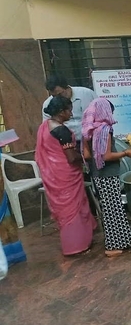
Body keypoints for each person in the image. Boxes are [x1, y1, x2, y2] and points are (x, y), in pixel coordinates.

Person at [36, 96, 96, 256]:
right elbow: (71, 157)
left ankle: (72, 243)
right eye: (69, 110)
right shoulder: (61, 131)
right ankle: (78, 244)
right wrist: (86, 156)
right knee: (73, 210)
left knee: (65, 211)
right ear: (61, 112)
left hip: (53, 175)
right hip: (66, 175)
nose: (71, 113)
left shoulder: (45, 126)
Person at [82, 98, 131, 257]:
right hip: (108, 174)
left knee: (112, 208)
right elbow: (106, 156)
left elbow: (86, 154)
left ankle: (124, 242)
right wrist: (126, 153)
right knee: (113, 210)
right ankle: (112, 248)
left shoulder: (87, 130)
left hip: (97, 175)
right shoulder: (105, 129)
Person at [42, 75, 98, 151]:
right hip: (68, 145)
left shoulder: (87, 94)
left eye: (59, 94)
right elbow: (48, 128)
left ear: (66, 87)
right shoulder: (48, 104)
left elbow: (101, 113)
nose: (57, 98)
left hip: (93, 140)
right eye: (53, 96)